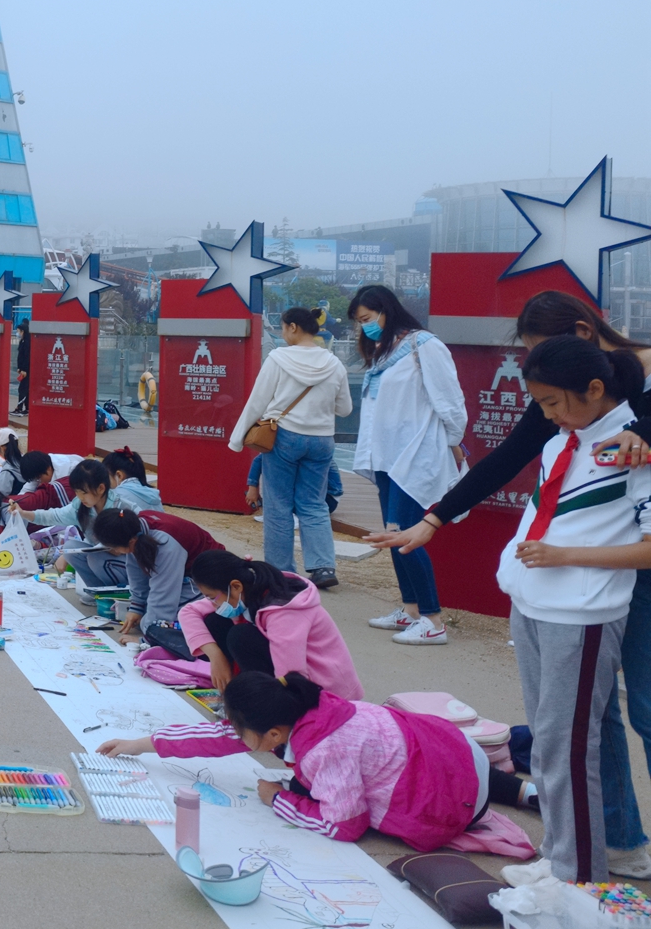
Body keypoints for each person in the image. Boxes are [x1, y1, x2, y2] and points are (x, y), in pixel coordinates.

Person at [367, 293, 651, 879]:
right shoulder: (565, 419)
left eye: (542, 359)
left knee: (641, 711)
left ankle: (583, 863)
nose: (546, 412)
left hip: (618, 575)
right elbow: (507, 459)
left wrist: (643, 433)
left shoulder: (614, 408)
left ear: (581, 338)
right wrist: (434, 519)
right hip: (565, 589)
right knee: (576, 728)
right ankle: (612, 842)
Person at [485, 337, 651, 886]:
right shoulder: (564, 441)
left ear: (595, 389)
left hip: (582, 614)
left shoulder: (635, 449)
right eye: (541, 404)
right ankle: (560, 854)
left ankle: (576, 876)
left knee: (569, 750)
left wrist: (565, 556)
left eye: (554, 402)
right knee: (549, 742)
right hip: (533, 602)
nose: (548, 415)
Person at [97, 671, 537, 858]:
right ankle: (527, 792)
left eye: (241, 730)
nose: (234, 735)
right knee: (314, 783)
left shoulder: (326, 749)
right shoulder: (302, 706)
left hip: (451, 799)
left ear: (272, 735)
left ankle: (514, 797)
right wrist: (140, 744)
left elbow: (345, 825)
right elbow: (219, 738)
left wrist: (277, 799)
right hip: (456, 752)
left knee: (312, 794)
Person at [345, 284, 465, 646]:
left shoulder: (423, 346)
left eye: (367, 318)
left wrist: (454, 441)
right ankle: (411, 610)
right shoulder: (382, 352)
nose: (364, 326)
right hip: (385, 457)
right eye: (359, 321)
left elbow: (449, 400)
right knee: (392, 535)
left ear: (386, 310)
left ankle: (433, 620)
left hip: (413, 455)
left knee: (406, 537)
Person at [228, 306, 352, 591]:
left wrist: (237, 439)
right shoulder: (334, 363)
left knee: (278, 505)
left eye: (283, 328)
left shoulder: (278, 358)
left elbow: (257, 402)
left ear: (293, 327)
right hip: (322, 440)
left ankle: (281, 571)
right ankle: (323, 567)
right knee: (314, 503)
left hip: (283, 437)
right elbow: (345, 408)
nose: (283, 334)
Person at [178, 550, 362, 700]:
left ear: (236, 586)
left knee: (241, 637)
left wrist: (270, 714)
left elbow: (291, 675)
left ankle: (259, 700)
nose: (212, 603)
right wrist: (216, 657)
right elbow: (188, 612)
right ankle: (245, 692)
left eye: (212, 597)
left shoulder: (283, 610)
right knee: (215, 620)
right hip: (292, 672)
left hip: (322, 690)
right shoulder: (249, 588)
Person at [18, 457, 166, 588]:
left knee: (96, 560)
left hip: (129, 561)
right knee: (70, 549)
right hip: (104, 555)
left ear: (101, 488)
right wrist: (24, 513)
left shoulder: (121, 507)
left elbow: (145, 532)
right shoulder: (79, 507)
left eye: (84, 492)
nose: (80, 497)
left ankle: (119, 593)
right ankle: (96, 591)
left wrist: (120, 547)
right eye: (77, 492)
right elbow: (53, 516)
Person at [91, 508, 220, 655]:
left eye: (114, 547)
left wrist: (149, 639)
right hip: (182, 574)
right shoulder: (132, 529)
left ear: (131, 542)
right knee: (147, 618)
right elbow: (136, 571)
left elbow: (164, 594)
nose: (115, 551)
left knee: (170, 620)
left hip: (209, 579)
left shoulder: (166, 544)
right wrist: (136, 607)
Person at [14, 323, 30, 415]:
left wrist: (24, 369)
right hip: (22, 369)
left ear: (23, 331)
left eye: (18, 331)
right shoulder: (22, 341)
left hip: (26, 371)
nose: (17, 333)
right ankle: (27, 408)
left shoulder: (28, 342)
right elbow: (20, 356)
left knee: (23, 389)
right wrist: (19, 368)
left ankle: (19, 408)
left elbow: (27, 357)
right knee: (25, 389)